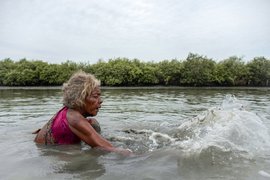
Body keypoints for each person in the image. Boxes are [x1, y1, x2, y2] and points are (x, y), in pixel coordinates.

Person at [33, 70, 132, 155]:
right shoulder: (74, 118)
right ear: (79, 98)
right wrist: (142, 157)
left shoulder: (68, 112)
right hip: (52, 152)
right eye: (95, 96)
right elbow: (109, 148)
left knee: (93, 123)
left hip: (50, 148)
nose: (101, 100)